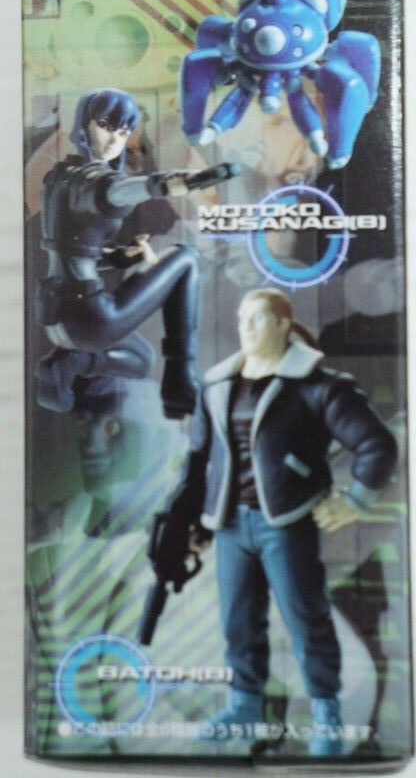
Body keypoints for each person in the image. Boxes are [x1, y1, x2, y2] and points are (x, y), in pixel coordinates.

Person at [161, 288, 397, 755]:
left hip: (286, 523)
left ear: (284, 324)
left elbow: (376, 444)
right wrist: (194, 523)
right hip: (231, 525)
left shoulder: (317, 385)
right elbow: (199, 462)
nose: (246, 328)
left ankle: (326, 713)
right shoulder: (218, 385)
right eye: (241, 319)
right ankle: (245, 706)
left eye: (258, 319)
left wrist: (355, 500)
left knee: (306, 621)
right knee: (238, 621)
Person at [35, 87, 201, 419]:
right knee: (185, 258)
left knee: (141, 361)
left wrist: (119, 256)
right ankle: (181, 376)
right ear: (84, 124)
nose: (114, 140)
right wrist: (166, 184)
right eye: (105, 126)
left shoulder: (58, 177)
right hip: (90, 315)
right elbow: (117, 190)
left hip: (56, 315)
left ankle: (73, 362)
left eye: (124, 132)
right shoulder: (92, 180)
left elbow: (73, 247)